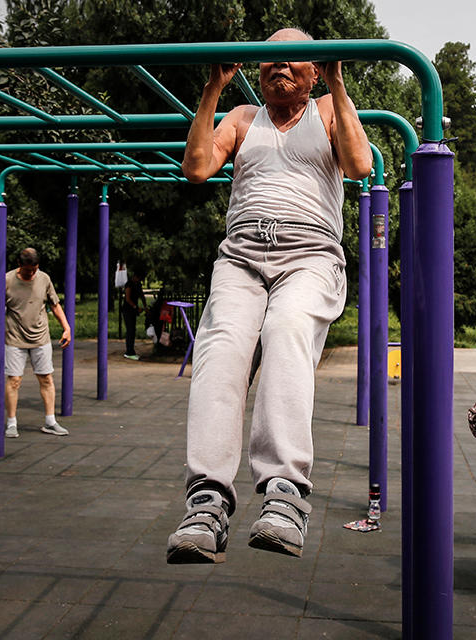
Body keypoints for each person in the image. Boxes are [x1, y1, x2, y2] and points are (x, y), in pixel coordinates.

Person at [166, 27, 372, 564]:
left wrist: (339, 83)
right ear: (258, 73)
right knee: (222, 348)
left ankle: (285, 492)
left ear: (311, 74)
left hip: (309, 257)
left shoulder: (327, 109)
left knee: (285, 333)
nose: (281, 68)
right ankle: (207, 499)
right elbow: (195, 169)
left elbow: (359, 165)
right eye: (271, 62)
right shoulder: (241, 118)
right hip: (241, 259)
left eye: (294, 62)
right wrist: (212, 88)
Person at [0, 248, 71, 437]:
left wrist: (67, 327)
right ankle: (11, 423)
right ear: (20, 266)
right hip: (14, 338)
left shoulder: (44, 279)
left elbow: (54, 304)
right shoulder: (7, 280)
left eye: (35, 269)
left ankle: (50, 422)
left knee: (46, 378)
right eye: (28, 271)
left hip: (40, 337)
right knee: (14, 381)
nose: (32, 274)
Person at [121, 268, 147, 361]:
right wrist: (136, 307)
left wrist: (145, 306)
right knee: (130, 330)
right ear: (135, 277)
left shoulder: (138, 285)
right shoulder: (129, 284)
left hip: (133, 310)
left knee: (133, 330)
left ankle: (131, 350)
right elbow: (128, 299)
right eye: (139, 278)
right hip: (128, 310)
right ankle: (129, 351)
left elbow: (142, 296)